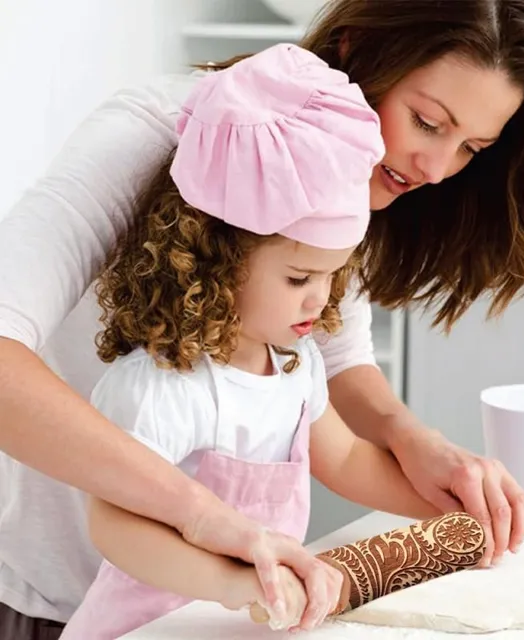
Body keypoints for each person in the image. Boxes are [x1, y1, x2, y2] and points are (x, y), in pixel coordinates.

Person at [0, 0, 524, 636]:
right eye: (427, 122)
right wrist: (206, 522)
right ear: (358, 50)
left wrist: (424, 454)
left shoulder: (338, 175)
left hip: (222, 617)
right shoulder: (155, 135)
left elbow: (334, 363)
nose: (437, 170)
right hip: (61, 603)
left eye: (472, 146)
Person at [58, 42, 449, 638]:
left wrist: (450, 507)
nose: (319, 300)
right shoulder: (162, 387)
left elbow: (342, 457)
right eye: (298, 278)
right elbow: (114, 523)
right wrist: (236, 583)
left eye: (331, 276)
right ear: (218, 258)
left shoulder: (296, 366)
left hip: (244, 624)